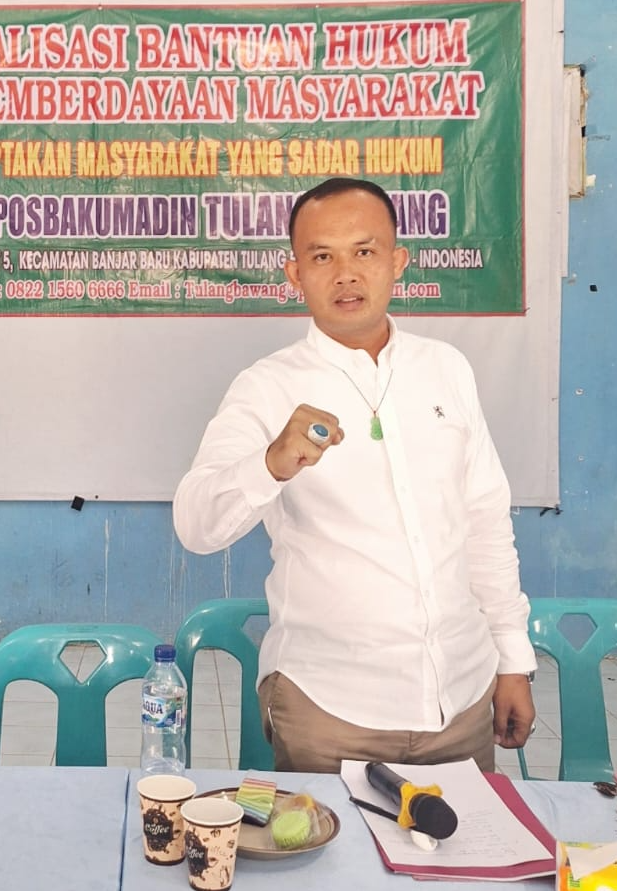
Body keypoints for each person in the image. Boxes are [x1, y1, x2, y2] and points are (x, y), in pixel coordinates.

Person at [173, 177, 536, 774]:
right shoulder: (267, 387)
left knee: (465, 838)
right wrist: (270, 463)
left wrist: (513, 660)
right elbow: (196, 524)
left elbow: (485, 522)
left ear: (397, 263)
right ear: (295, 275)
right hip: (328, 709)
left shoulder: (446, 369)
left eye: (364, 252)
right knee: (323, 840)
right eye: (322, 257)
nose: (345, 274)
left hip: (461, 698)